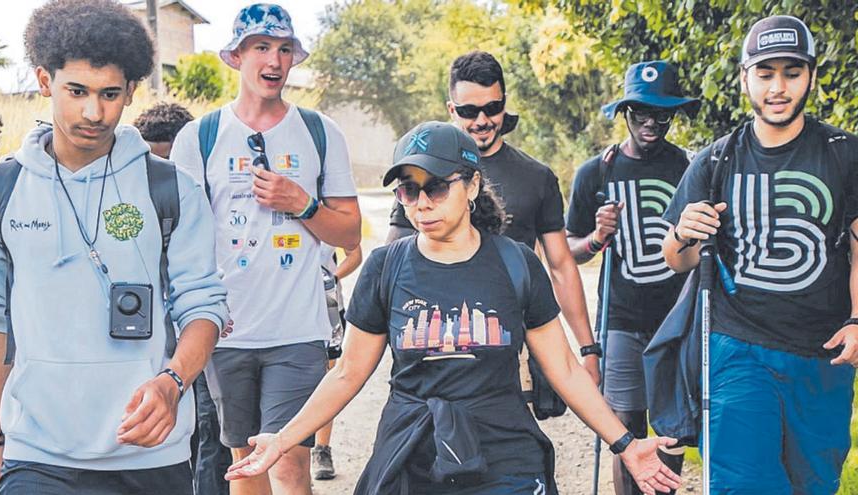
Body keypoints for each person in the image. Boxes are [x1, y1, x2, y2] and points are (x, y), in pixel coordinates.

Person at [226, 121, 682, 495]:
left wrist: (624, 443)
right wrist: (283, 440)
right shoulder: (387, 267)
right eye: (408, 190)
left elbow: (562, 367)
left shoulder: (514, 262)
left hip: (504, 452)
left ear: (473, 186)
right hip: (414, 451)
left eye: (438, 187)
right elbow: (347, 372)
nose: (422, 203)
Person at [0, 1, 228, 494]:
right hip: (37, 454)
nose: (93, 112)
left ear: (132, 92)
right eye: (77, 91)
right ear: (45, 80)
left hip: (151, 450)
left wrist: (173, 382)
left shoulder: (173, 190)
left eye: (110, 94)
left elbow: (204, 304)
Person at [661, 15, 858, 494]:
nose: (778, 87)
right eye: (765, 73)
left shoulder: (844, 154)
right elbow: (675, 258)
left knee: (812, 485)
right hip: (736, 347)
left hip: (822, 355)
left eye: (792, 72)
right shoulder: (714, 160)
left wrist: (857, 320)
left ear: (811, 76)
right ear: (745, 76)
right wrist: (685, 234)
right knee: (743, 483)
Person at [169, 4, 361, 494]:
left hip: (297, 330)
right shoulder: (199, 137)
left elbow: (350, 234)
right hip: (226, 332)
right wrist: (197, 315)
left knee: (290, 462)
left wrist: (300, 201)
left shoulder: (320, 131)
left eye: (283, 49)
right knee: (244, 463)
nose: (274, 61)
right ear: (235, 57)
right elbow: (180, 241)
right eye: (261, 48)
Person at [387, 51, 600, 391]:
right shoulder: (421, 173)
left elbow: (560, 266)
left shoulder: (537, 177)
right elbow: (394, 264)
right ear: (451, 109)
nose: (483, 120)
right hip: (436, 346)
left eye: (493, 107)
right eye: (470, 111)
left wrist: (588, 350)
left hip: (509, 346)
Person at [566, 60, 699, 494]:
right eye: (640, 112)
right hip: (622, 318)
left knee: (674, 425)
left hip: (677, 318)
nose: (650, 123)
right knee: (624, 426)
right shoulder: (596, 173)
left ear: (674, 115)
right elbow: (565, 252)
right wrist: (598, 237)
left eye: (662, 114)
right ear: (625, 113)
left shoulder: (690, 168)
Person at [134, 101, 234, 495]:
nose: (165, 176)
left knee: (211, 435)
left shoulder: (198, 197)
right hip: (146, 351)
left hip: (204, 340)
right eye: (155, 162)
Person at [311, 243, 362, 480]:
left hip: (329, 306)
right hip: (285, 312)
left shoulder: (328, 210)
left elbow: (355, 254)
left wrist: (329, 278)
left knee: (327, 378)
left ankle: (322, 449)